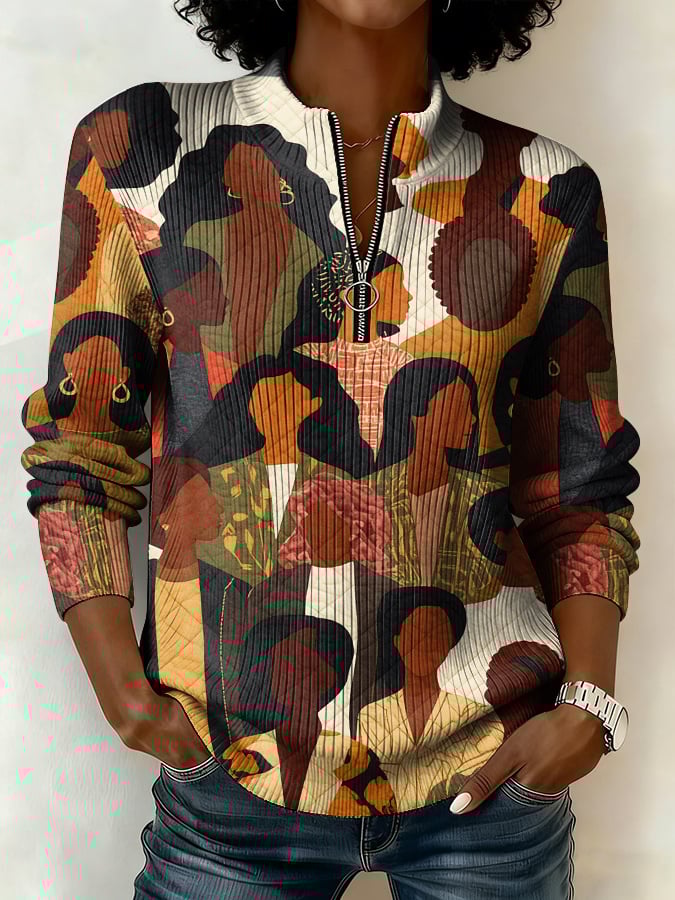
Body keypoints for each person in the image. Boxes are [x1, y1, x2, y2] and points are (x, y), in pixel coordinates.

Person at [18, 0, 641, 897]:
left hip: (492, 778)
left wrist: (587, 708)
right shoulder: (137, 148)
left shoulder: (544, 189)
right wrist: (124, 694)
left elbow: (577, 487)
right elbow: (80, 447)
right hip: (230, 781)